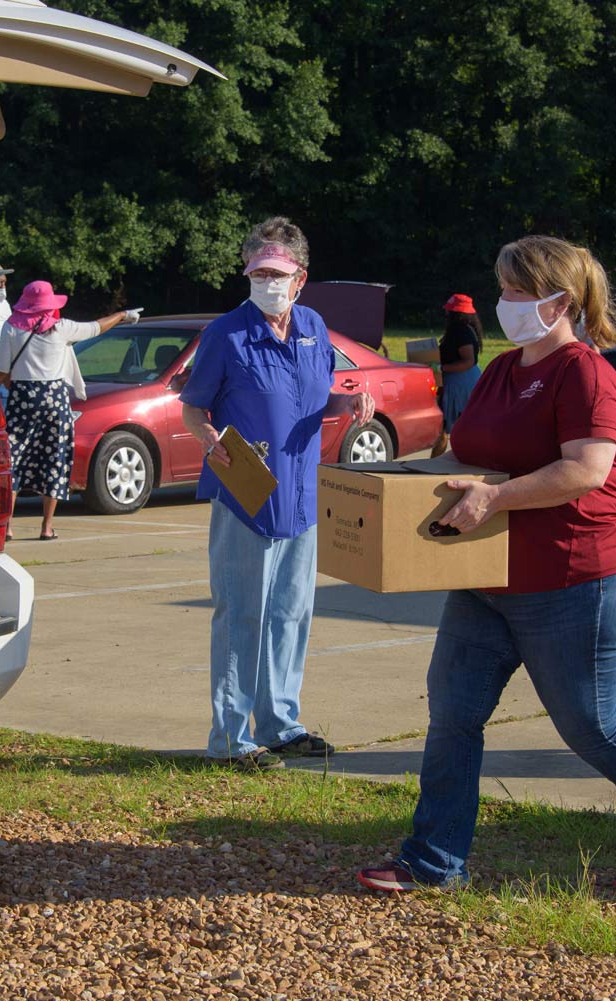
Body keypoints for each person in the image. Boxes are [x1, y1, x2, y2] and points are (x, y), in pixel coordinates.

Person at [356, 235, 616, 894]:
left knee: (590, 724)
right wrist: (387, 478)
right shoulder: (501, 370)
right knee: (453, 712)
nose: (505, 304)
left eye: (518, 292)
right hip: (488, 577)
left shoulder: (587, 373)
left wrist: (495, 497)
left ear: (560, 301)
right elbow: (462, 460)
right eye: (505, 290)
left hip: (579, 578)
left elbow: (586, 469)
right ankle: (433, 860)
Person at [180, 217, 374, 771]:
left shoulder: (314, 328)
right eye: (257, 272)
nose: (266, 281)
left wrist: (350, 405)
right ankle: (232, 739)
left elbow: (319, 401)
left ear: (300, 278)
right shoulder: (226, 334)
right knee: (241, 615)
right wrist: (207, 436)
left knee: (290, 613)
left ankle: (281, 725)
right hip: (246, 495)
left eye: (276, 272)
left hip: (301, 499)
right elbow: (194, 407)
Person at [0, 281, 141, 540]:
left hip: (22, 399)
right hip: (55, 400)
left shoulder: (11, 328)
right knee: (54, 460)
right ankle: (47, 527)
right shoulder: (61, 329)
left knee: (14, 461)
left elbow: (2, 372)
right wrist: (122, 315)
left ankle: (8, 527)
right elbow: (97, 327)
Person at [432, 293, 483, 457]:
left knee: (447, 425)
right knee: (451, 425)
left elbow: (468, 361)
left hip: (460, 383)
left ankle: (440, 460)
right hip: (465, 380)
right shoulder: (465, 329)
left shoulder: (460, 331)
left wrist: (442, 367)